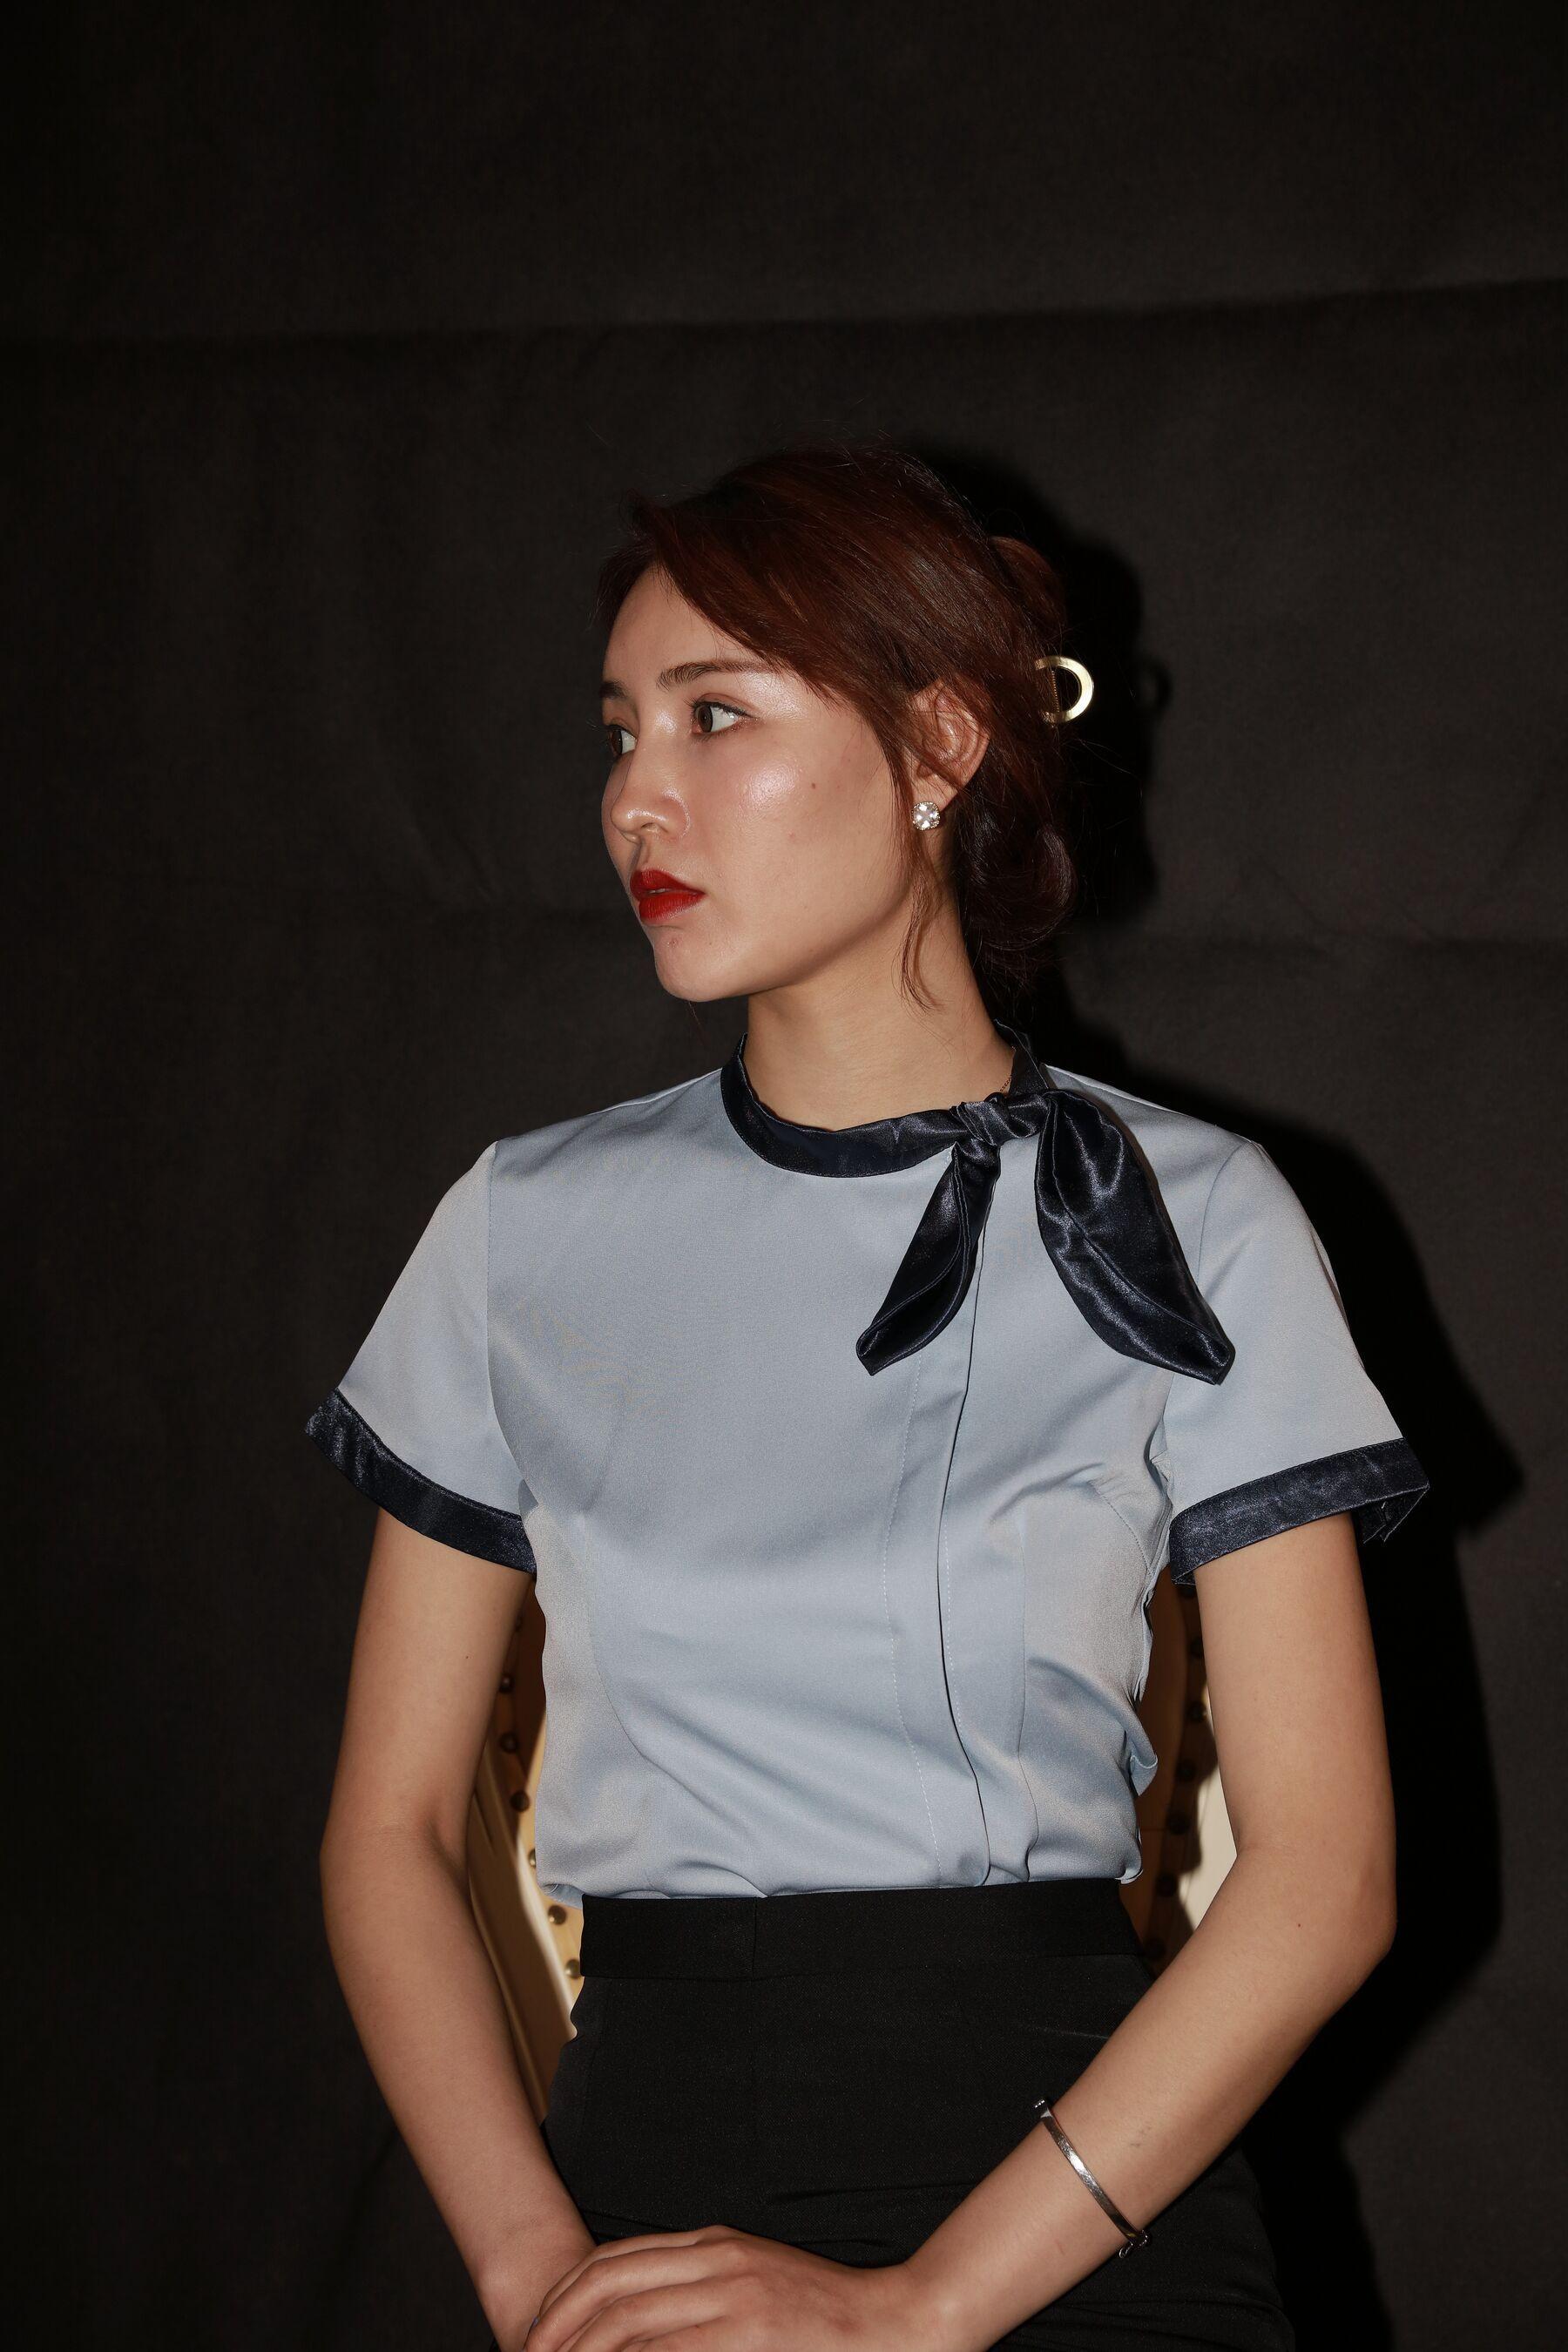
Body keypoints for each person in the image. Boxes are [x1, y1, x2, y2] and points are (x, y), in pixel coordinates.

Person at [306, 441, 1429, 2352]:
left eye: (714, 714)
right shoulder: (524, 1227)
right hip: (638, 2192)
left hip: (1089, 2196)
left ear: (938, 745)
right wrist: (535, 2277)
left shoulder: (1195, 1215)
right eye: (619, 730)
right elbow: (389, 1833)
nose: (634, 796)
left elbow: (1326, 1878)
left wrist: (921, 2310)